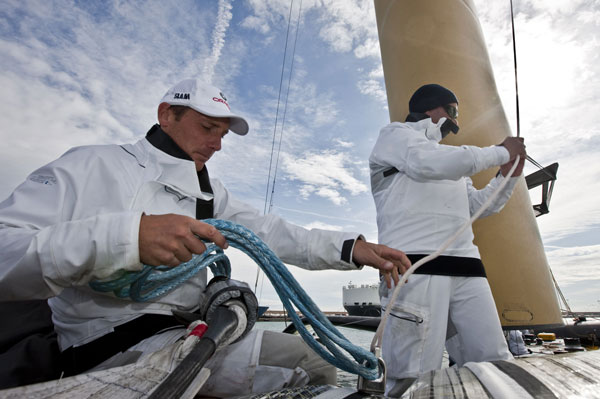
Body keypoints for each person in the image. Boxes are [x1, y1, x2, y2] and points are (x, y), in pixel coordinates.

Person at [0, 78, 411, 395]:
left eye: (222, 135)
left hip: (189, 335)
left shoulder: (209, 195)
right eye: (206, 128)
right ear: (166, 115)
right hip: (105, 346)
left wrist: (352, 249)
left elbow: (271, 233)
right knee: (303, 367)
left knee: (315, 361)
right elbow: (6, 247)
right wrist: (126, 236)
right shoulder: (91, 165)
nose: (215, 144)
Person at [369, 83, 526, 396]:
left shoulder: (450, 161)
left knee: (494, 364)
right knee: (412, 380)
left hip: (468, 269)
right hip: (414, 270)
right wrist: (501, 151)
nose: (457, 120)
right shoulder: (395, 136)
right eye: (453, 111)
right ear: (431, 110)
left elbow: (480, 206)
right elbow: (425, 164)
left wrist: (508, 174)